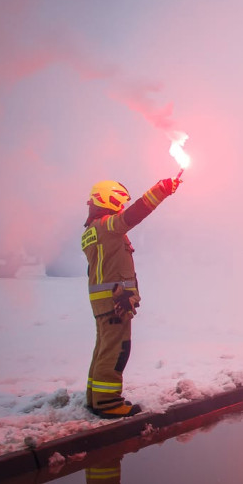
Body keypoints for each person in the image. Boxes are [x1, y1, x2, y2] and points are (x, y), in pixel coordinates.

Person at [81, 178, 180, 418]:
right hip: (115, 301)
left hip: (104, 300)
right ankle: (108, 403)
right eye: (118, 201)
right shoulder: (106, 225)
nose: (121, 207)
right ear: (107, 199)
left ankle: (95, 398)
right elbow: (135, 214)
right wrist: (162, 189)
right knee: (117, 350)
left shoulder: (92, 231)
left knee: (103, 349)